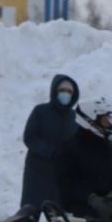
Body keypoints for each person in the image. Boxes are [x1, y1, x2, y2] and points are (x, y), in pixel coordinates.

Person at [57, 96, 112, 222]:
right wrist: (91, 198)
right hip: (79, 207)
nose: (109, 122)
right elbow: (65, 183)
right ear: (90, 120)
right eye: (105, 118)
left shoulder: (110, 149)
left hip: (108, 204)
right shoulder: (70, 148)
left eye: (109, 118)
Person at [19, 73, 79, 212]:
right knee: (31, 212)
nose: (66, 94)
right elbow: (30, 137)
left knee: (59, 220)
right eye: (62, 90)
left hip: (60, 175)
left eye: (69, 91)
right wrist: (49, 151)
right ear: (55, 91)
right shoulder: (40, 111)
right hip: (37, 172)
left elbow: (76, 143)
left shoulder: (74, 117)